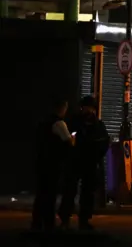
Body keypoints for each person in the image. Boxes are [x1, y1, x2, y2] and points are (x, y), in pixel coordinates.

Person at [58, 95, 109, 230]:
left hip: (90, 163)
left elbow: (104, 143)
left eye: (90, 108)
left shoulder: (98, 125)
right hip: (74, 162)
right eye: (85, 108)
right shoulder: (74, 122)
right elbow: (67, 141)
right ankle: (65, 219)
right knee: (69, 191)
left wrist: (96, 156)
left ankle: (84, 220)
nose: (88, 111)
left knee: (88, 193)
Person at [31, 98, 74, 232]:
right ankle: (49, 223)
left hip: (42, 162)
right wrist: (73, 139)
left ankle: (37, 223)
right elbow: (69, 142)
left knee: (41, 194)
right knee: (50, 195)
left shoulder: (43, 123)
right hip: (53, 164)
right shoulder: (59, 123)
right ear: (63, 108)